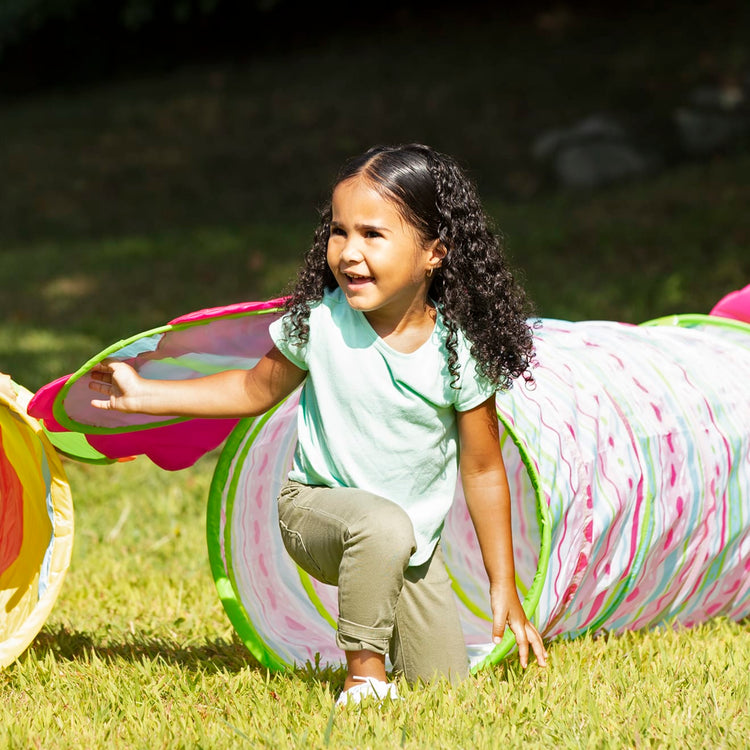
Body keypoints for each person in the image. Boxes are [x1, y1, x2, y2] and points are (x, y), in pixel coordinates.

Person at [88, 143, 548, 705]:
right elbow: (251, 390)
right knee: (381, 525)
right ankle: (363, 675)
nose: (349, 253)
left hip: (410, 550)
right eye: (339, 232)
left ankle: (395, 665)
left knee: (444, 690)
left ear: (434, 253)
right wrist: (145, 396)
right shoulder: (320, 323)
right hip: (315, 512)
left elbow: (482, 471)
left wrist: (505, 584)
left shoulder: (459, 353)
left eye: (372, 235)